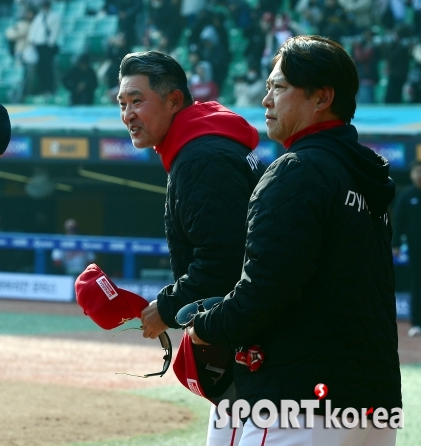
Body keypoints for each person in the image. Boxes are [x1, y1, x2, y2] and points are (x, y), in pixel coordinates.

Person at [188, 35, 402, 445]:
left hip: (299, 401)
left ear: (322, 97)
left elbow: (266, 289)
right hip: (373, 405)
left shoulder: (296, 170)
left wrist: (205, 327)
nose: (266, 100)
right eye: (267, 87)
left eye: (280, 88)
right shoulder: (366, 177)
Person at [116, 50, 265, 445]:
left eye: (137, 100)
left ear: (174, 101)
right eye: (122, 103)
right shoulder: (204, 146)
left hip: (251, 349)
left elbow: (223, 261)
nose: (128, 113)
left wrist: (166, 309)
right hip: (247, 338)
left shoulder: (202, 157)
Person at [392, 160, 421, 337]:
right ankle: (417, 323)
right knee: (415, 284)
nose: (419, 175)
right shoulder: (405, 196)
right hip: (415, 249)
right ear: (411, 175)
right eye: (417, 172)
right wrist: (395, 244)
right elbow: (399, 222)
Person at [27, 1, 60, 96]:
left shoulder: (54, 17)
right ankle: (43, 89)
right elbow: (34, 29)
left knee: (48, 68)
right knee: (41, 69)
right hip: (39, 45)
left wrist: (51, 42)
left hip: (47, 46)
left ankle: (49, 88)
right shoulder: (39, 17)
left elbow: (55, 30)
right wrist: (31, 40)